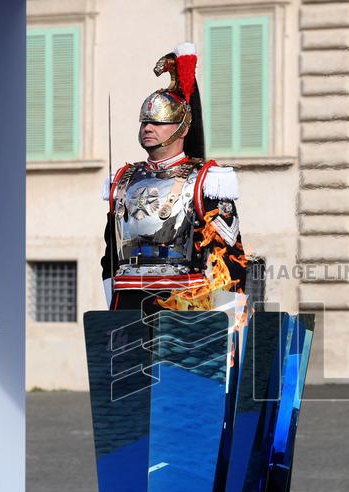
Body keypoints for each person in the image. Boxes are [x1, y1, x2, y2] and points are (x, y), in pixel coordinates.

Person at [100, 42, 248, 315]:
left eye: (157, 122)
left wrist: (228, 318)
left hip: (186, 298)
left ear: (182, 128)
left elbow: (230, 257)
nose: (148, 128)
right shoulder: (122, 180)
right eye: (145, 122)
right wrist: (112, 305)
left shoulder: (208, 181)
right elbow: (110, 253)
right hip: (129, 298)